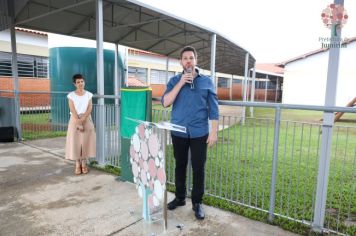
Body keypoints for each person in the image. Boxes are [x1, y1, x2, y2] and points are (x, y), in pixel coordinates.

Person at [162, 46, 219, 220]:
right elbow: (165, 102)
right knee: (179, 165)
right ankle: (180, 198)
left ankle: (197, 202)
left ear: (196, 61)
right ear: (181, 62)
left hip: (199, 132)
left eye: (191, 58)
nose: (188, 61)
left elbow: (214, 109)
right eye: (185, 58)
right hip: (178, 131)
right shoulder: (174, 81)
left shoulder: (207, 81)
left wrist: (214, 132)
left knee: (198, 168)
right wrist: (180, 83)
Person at [65, 74, 96, 175]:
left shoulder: (89, 95)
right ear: (74, 84)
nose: (80, 84)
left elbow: (90, 108)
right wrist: (78, 121)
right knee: (76, 142)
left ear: (84, 82)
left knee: (86, 142)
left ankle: (84, 162)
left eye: (82, 81)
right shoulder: (71, 95)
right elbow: (72, 109)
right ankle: (77, 163)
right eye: (78, 82)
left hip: (86, 119)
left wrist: (83, 119)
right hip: (74, 119)